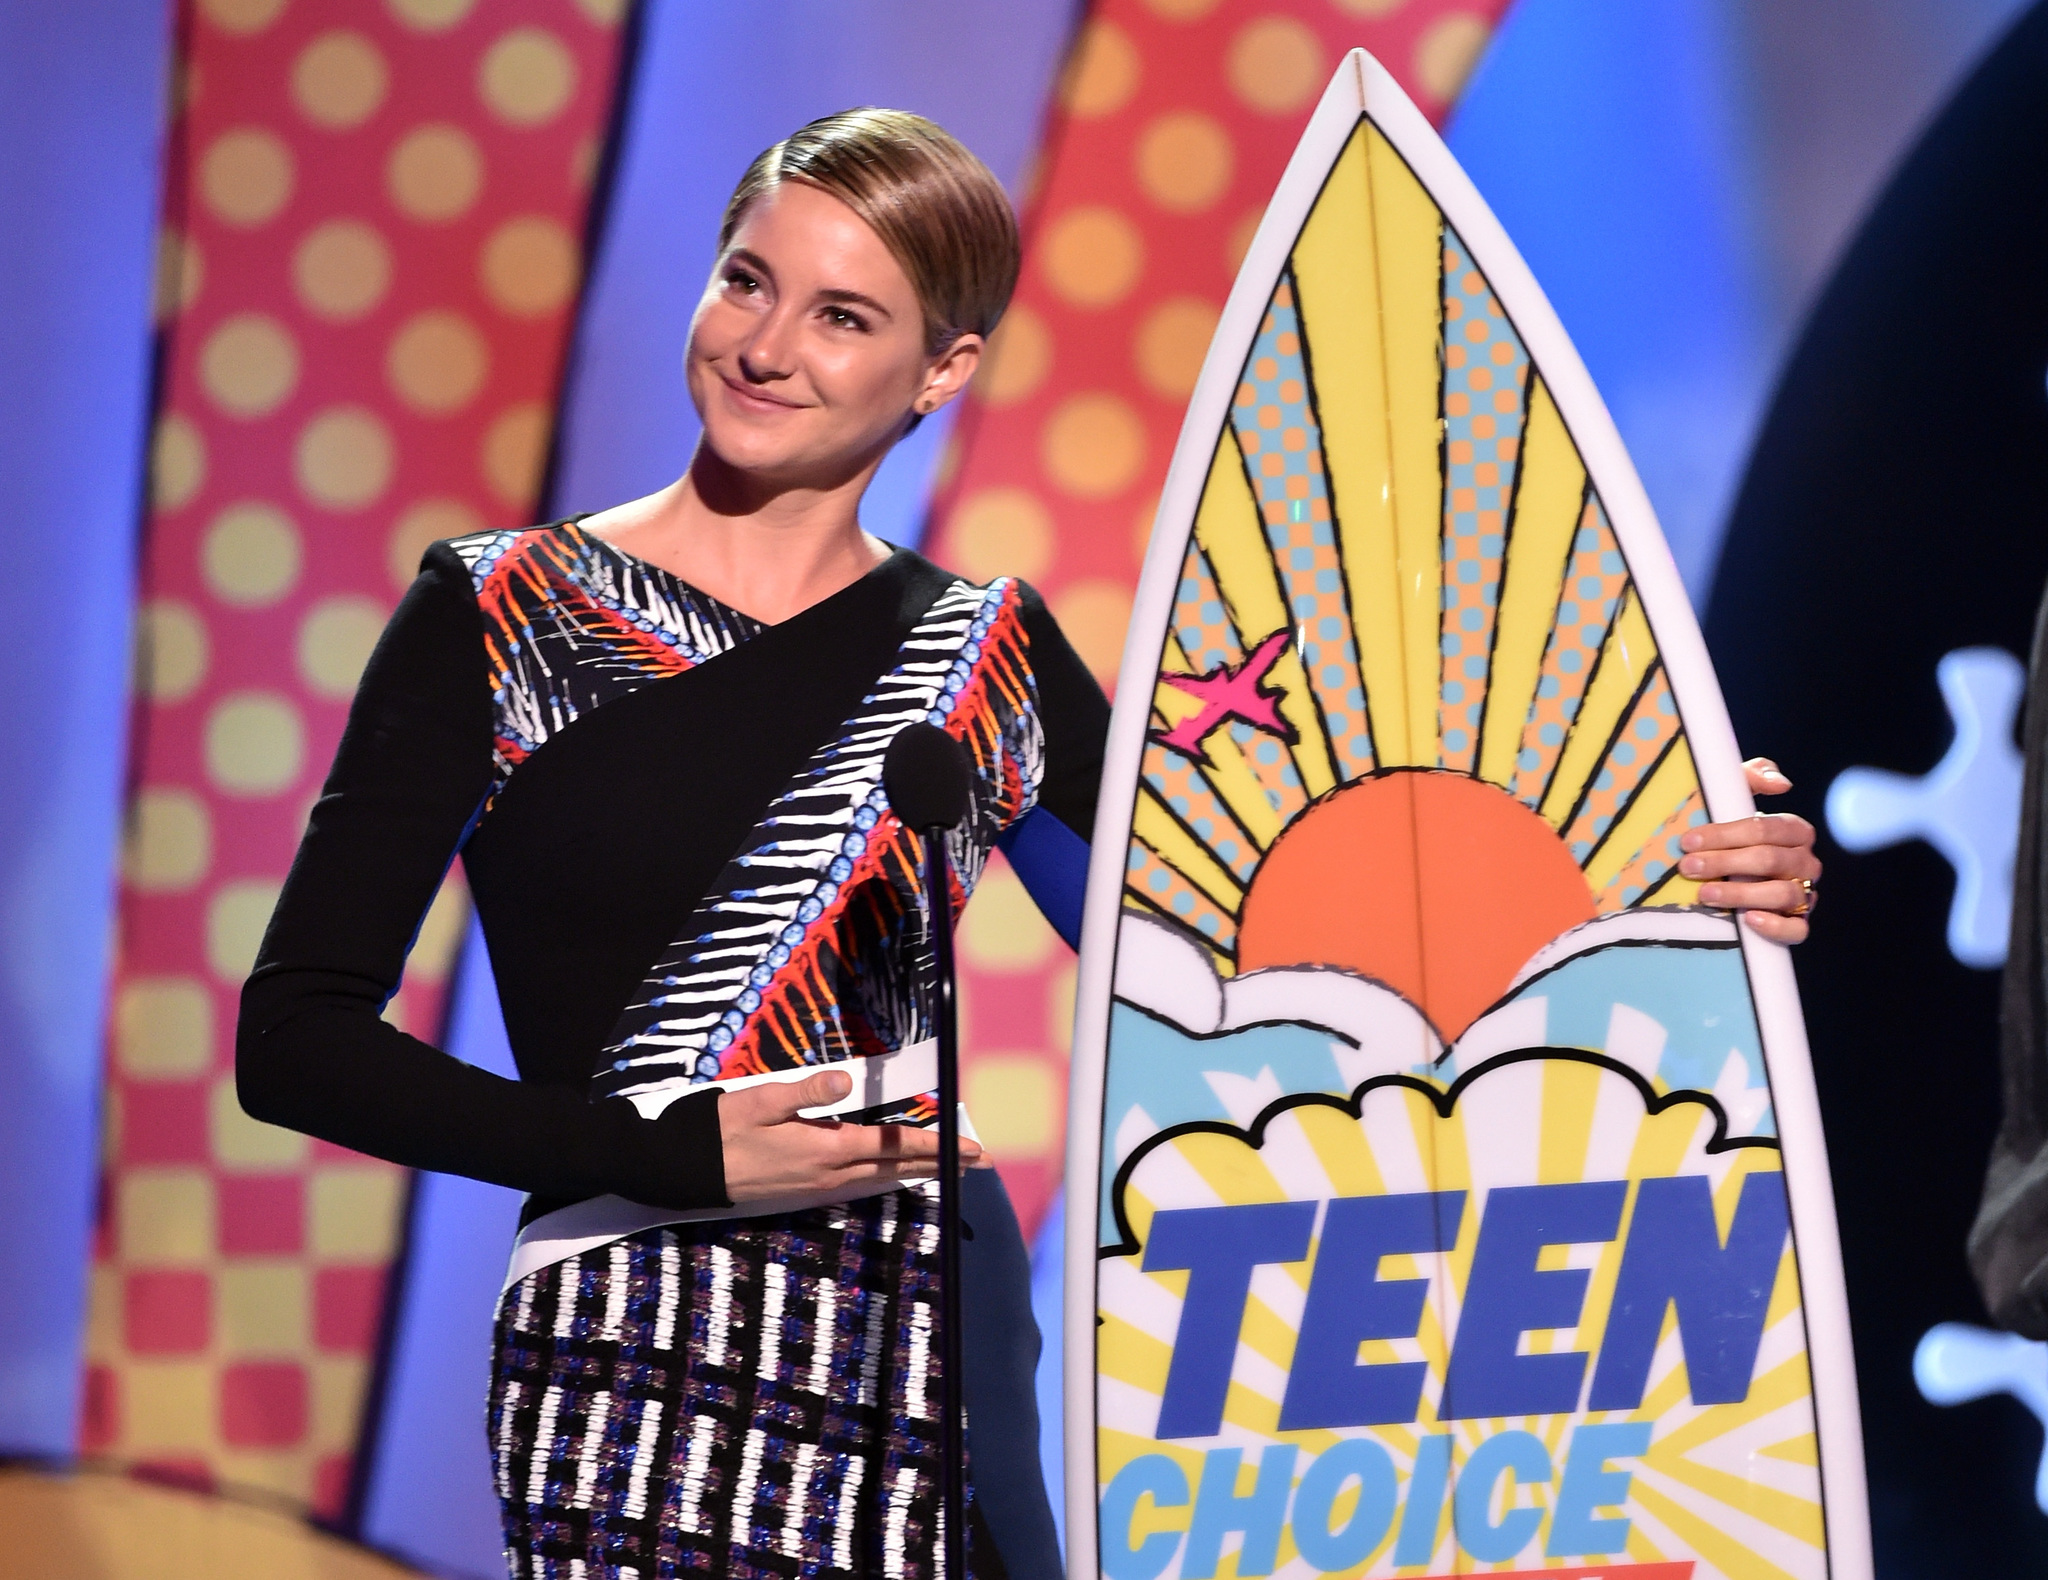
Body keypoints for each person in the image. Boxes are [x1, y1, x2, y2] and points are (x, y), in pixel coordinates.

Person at [236, 109, 1825, 1580]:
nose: (766, 348)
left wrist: (1660, 878)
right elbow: (293, 1042)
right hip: (627, 1337)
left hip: (931, 1332)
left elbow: (1262, 974)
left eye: (843, 318)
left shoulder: (978, 649)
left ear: (942, 371)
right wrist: (664, 1154)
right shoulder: (499, 612)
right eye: (748, 283)